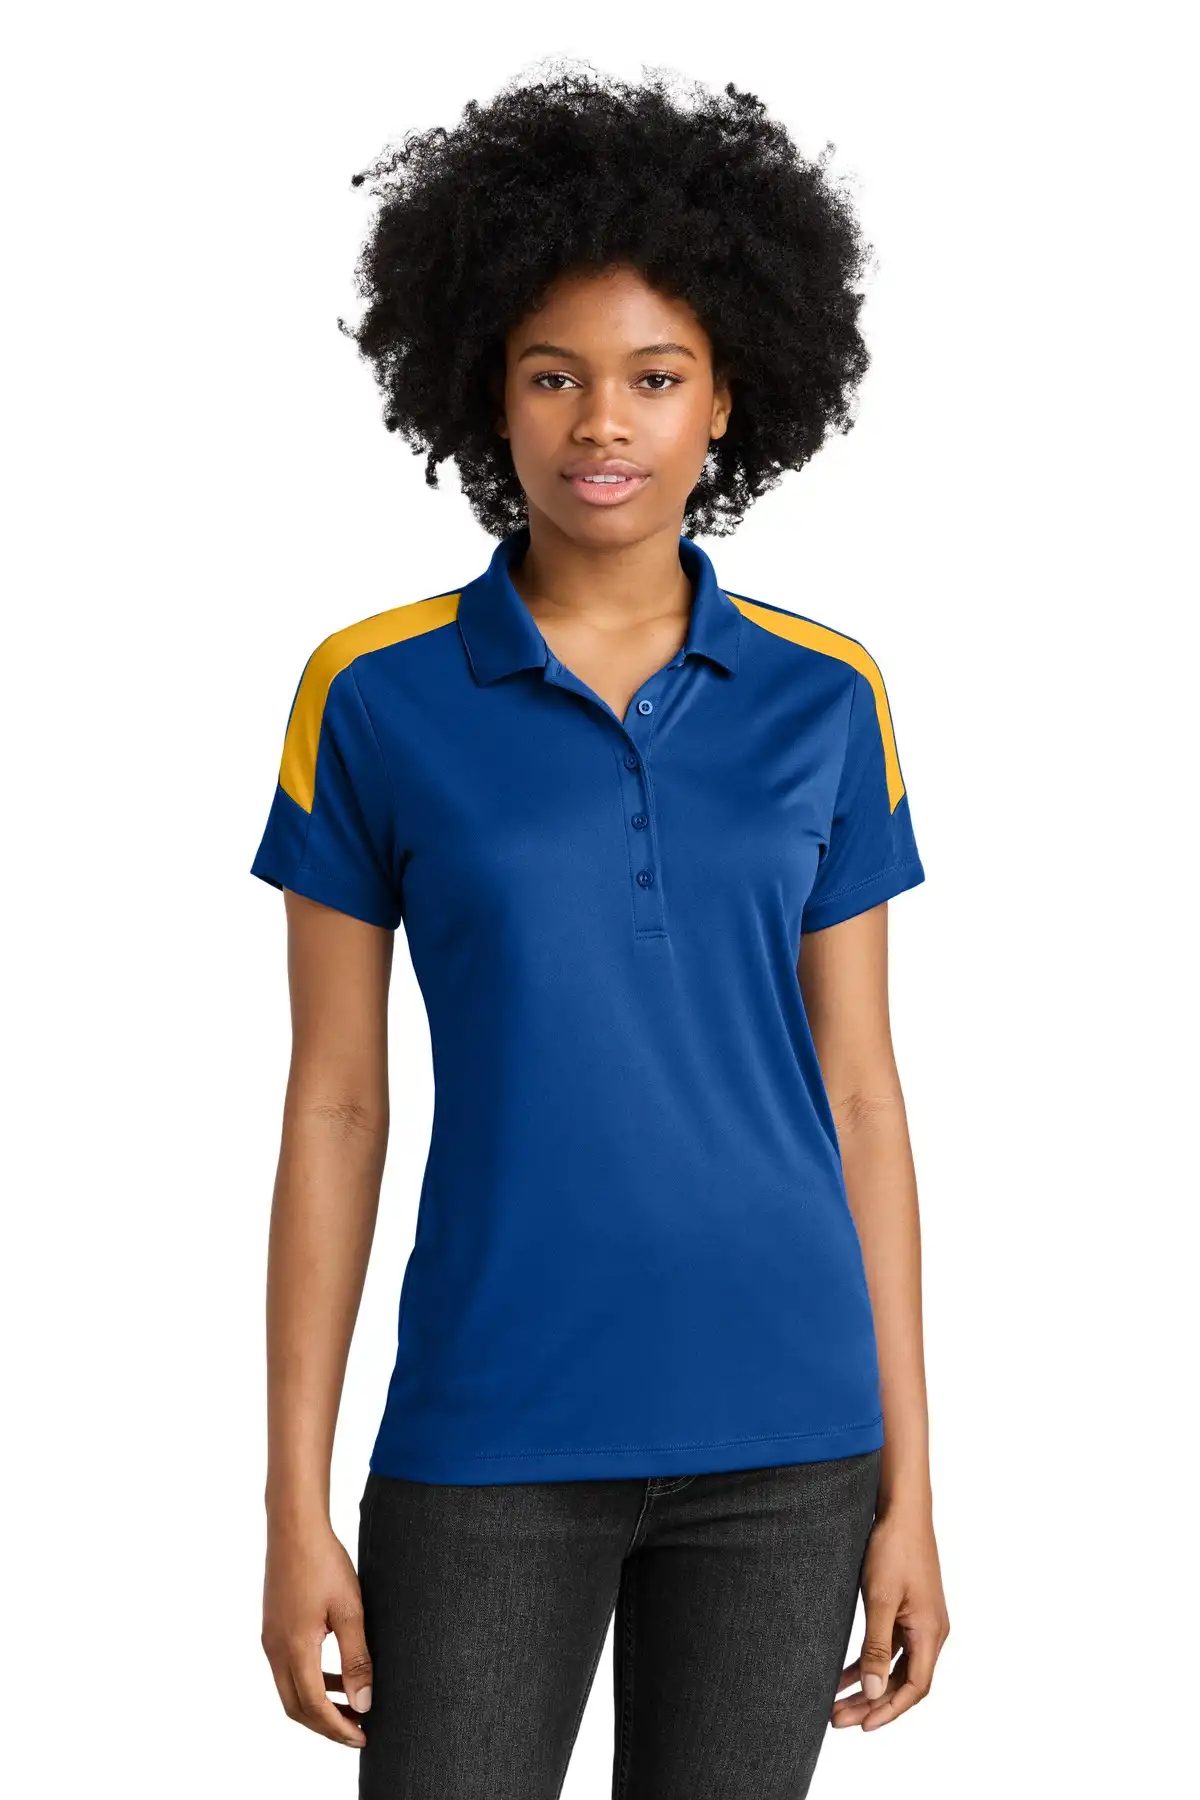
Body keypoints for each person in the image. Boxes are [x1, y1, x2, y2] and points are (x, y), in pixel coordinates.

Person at [252, 61, 950, 1800]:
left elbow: (863, 1094)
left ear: (730, 401)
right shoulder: (373, 694)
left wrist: (914, 1490)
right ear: (484, 393)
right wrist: (291, 1503)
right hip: (491, 1428)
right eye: (553, 374)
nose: (601, 424)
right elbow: (335, 1102)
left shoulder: (827, 696)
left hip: (792, 1439)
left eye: (655, 376)